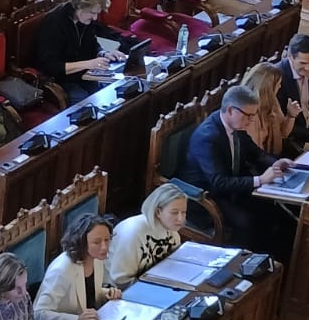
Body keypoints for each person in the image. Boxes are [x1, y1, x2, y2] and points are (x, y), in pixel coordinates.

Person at [181, 84, 298, 260]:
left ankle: (276, 263)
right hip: (208, 198)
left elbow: (257, 154)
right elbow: (219, 182)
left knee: (277, 212)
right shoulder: (207, 138)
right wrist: (260, 180)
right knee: (249, 222)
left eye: (253, 115)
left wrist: (276, 164)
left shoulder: (236, 126)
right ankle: (245, 265)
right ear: (230, 110)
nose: (251, 121)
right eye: (248, 115)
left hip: (234, 189)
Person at [32, 0, 131, 103]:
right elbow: (50, 66)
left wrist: (104, 53)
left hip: (82, 74)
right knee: (84, 100)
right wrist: (88, 64)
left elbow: (92, 43)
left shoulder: (84, 20)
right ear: (79, 6)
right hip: (59, 79)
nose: (95, 18)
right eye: (92, 13)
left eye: (97, 13)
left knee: (113, 89)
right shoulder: (53, 23)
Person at [35, 213, 120, 320]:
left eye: (107, 240)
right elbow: (39, 313)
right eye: (97, 242)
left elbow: (87, 292)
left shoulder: (96, 257)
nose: (104, 247)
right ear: (82, 243)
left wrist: (106, 293)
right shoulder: (62, 269)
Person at [108, 183, 189, 287]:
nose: (181, 219)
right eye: (174, 213)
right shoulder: (132, 234)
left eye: (184, 212)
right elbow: (121, 281)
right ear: (158, 212)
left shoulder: (171, 230)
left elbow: (173, 266)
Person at [241, 61, 296, 156]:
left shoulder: (272, 102)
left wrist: (291, 115)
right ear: (268, 88)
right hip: (259, 161)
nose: (280, 86)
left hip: (272, 157)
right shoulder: (248, 113)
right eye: (278, 84)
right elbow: (255, 154)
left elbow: (283, 133)